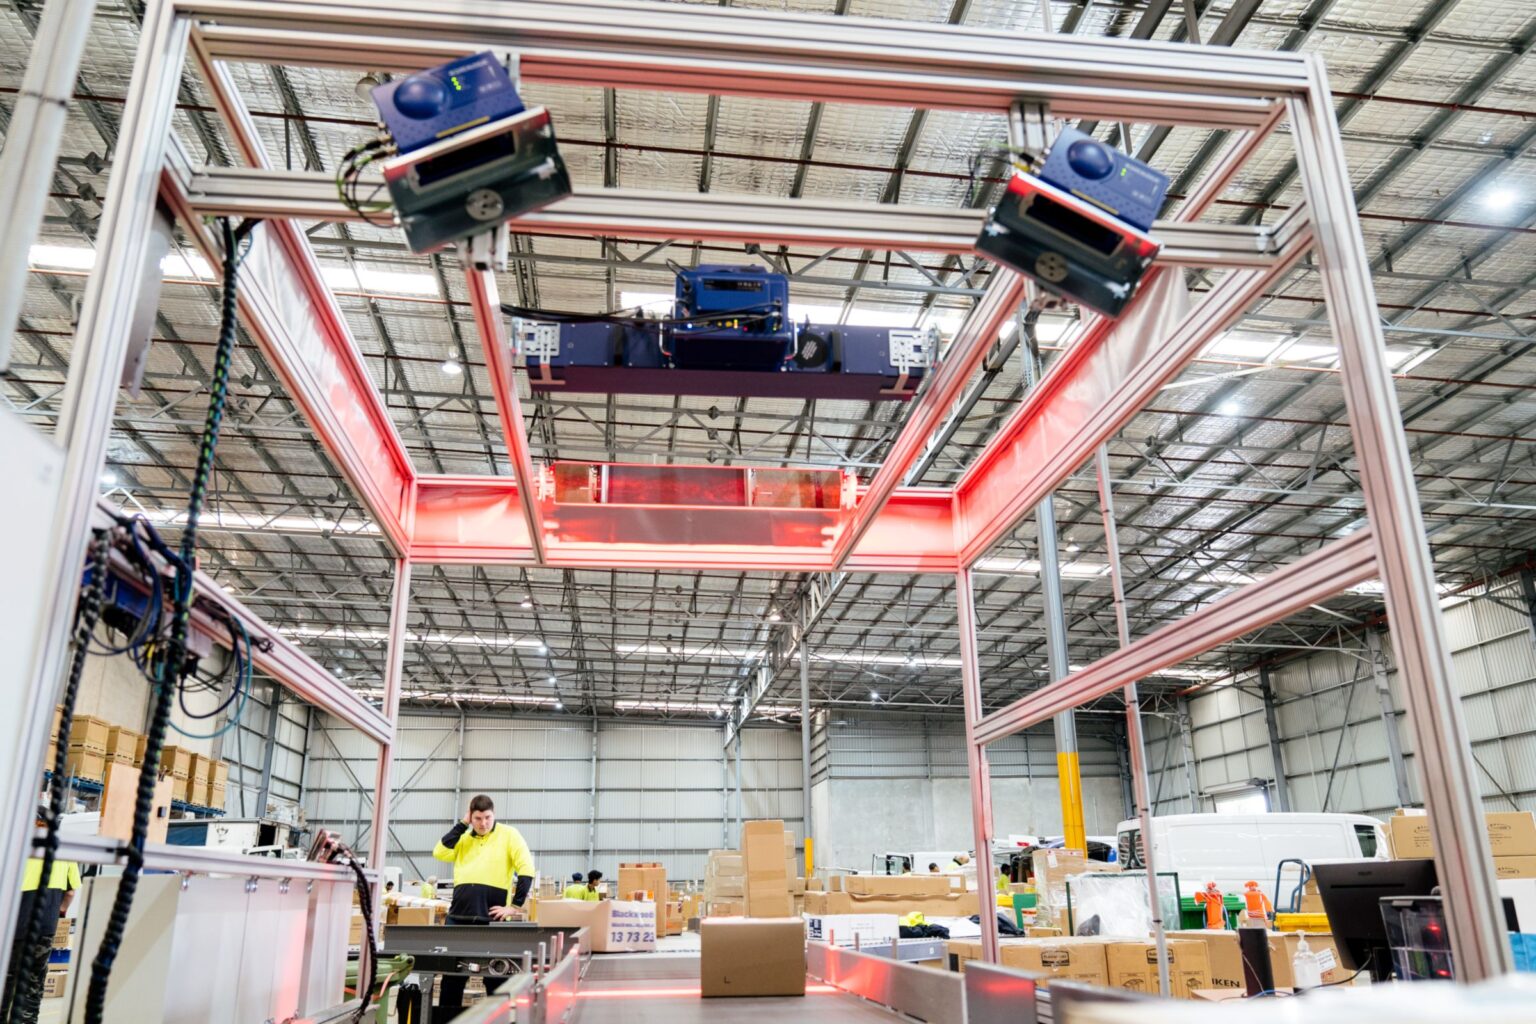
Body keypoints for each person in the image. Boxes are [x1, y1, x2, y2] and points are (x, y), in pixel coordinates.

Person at [431, 795, 535, 1023]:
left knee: (496, 975)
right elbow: (439, 852)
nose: (483, 823)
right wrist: (462, 825)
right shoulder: (463, 838)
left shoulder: (509, 835)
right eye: (477, 818)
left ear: (493, 814)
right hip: (458, 917)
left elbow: (526, 869)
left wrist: (514, 906)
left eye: (487, 817)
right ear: (470, 817)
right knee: (451, 978)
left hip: (492, 919)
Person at [4, 817, 81, 1024]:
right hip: (45, 925)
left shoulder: (19, 845)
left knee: (7, 978)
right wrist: (60, 910)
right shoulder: (62, 850)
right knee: (34, 981)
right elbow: (71, 892)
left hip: (14, 925)